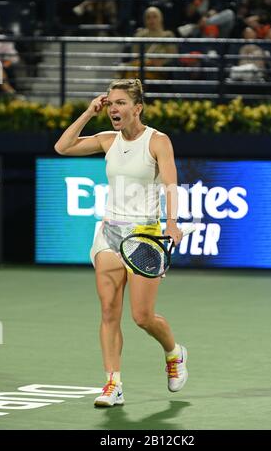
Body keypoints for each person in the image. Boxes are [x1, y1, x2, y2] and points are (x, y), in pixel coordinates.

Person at [54, 78, 188, 407]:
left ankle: (174, 353)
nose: (114, 108)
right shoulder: (106, 140)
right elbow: (63, 147)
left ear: (137, 108)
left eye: (121, 103)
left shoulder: (158, 141)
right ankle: (113, 384)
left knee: (142, 317)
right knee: (109, 311)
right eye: (110, 102)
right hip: (109, 233)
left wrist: (171, 222)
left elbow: (171, 183)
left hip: (143, 236)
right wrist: (87, 112)